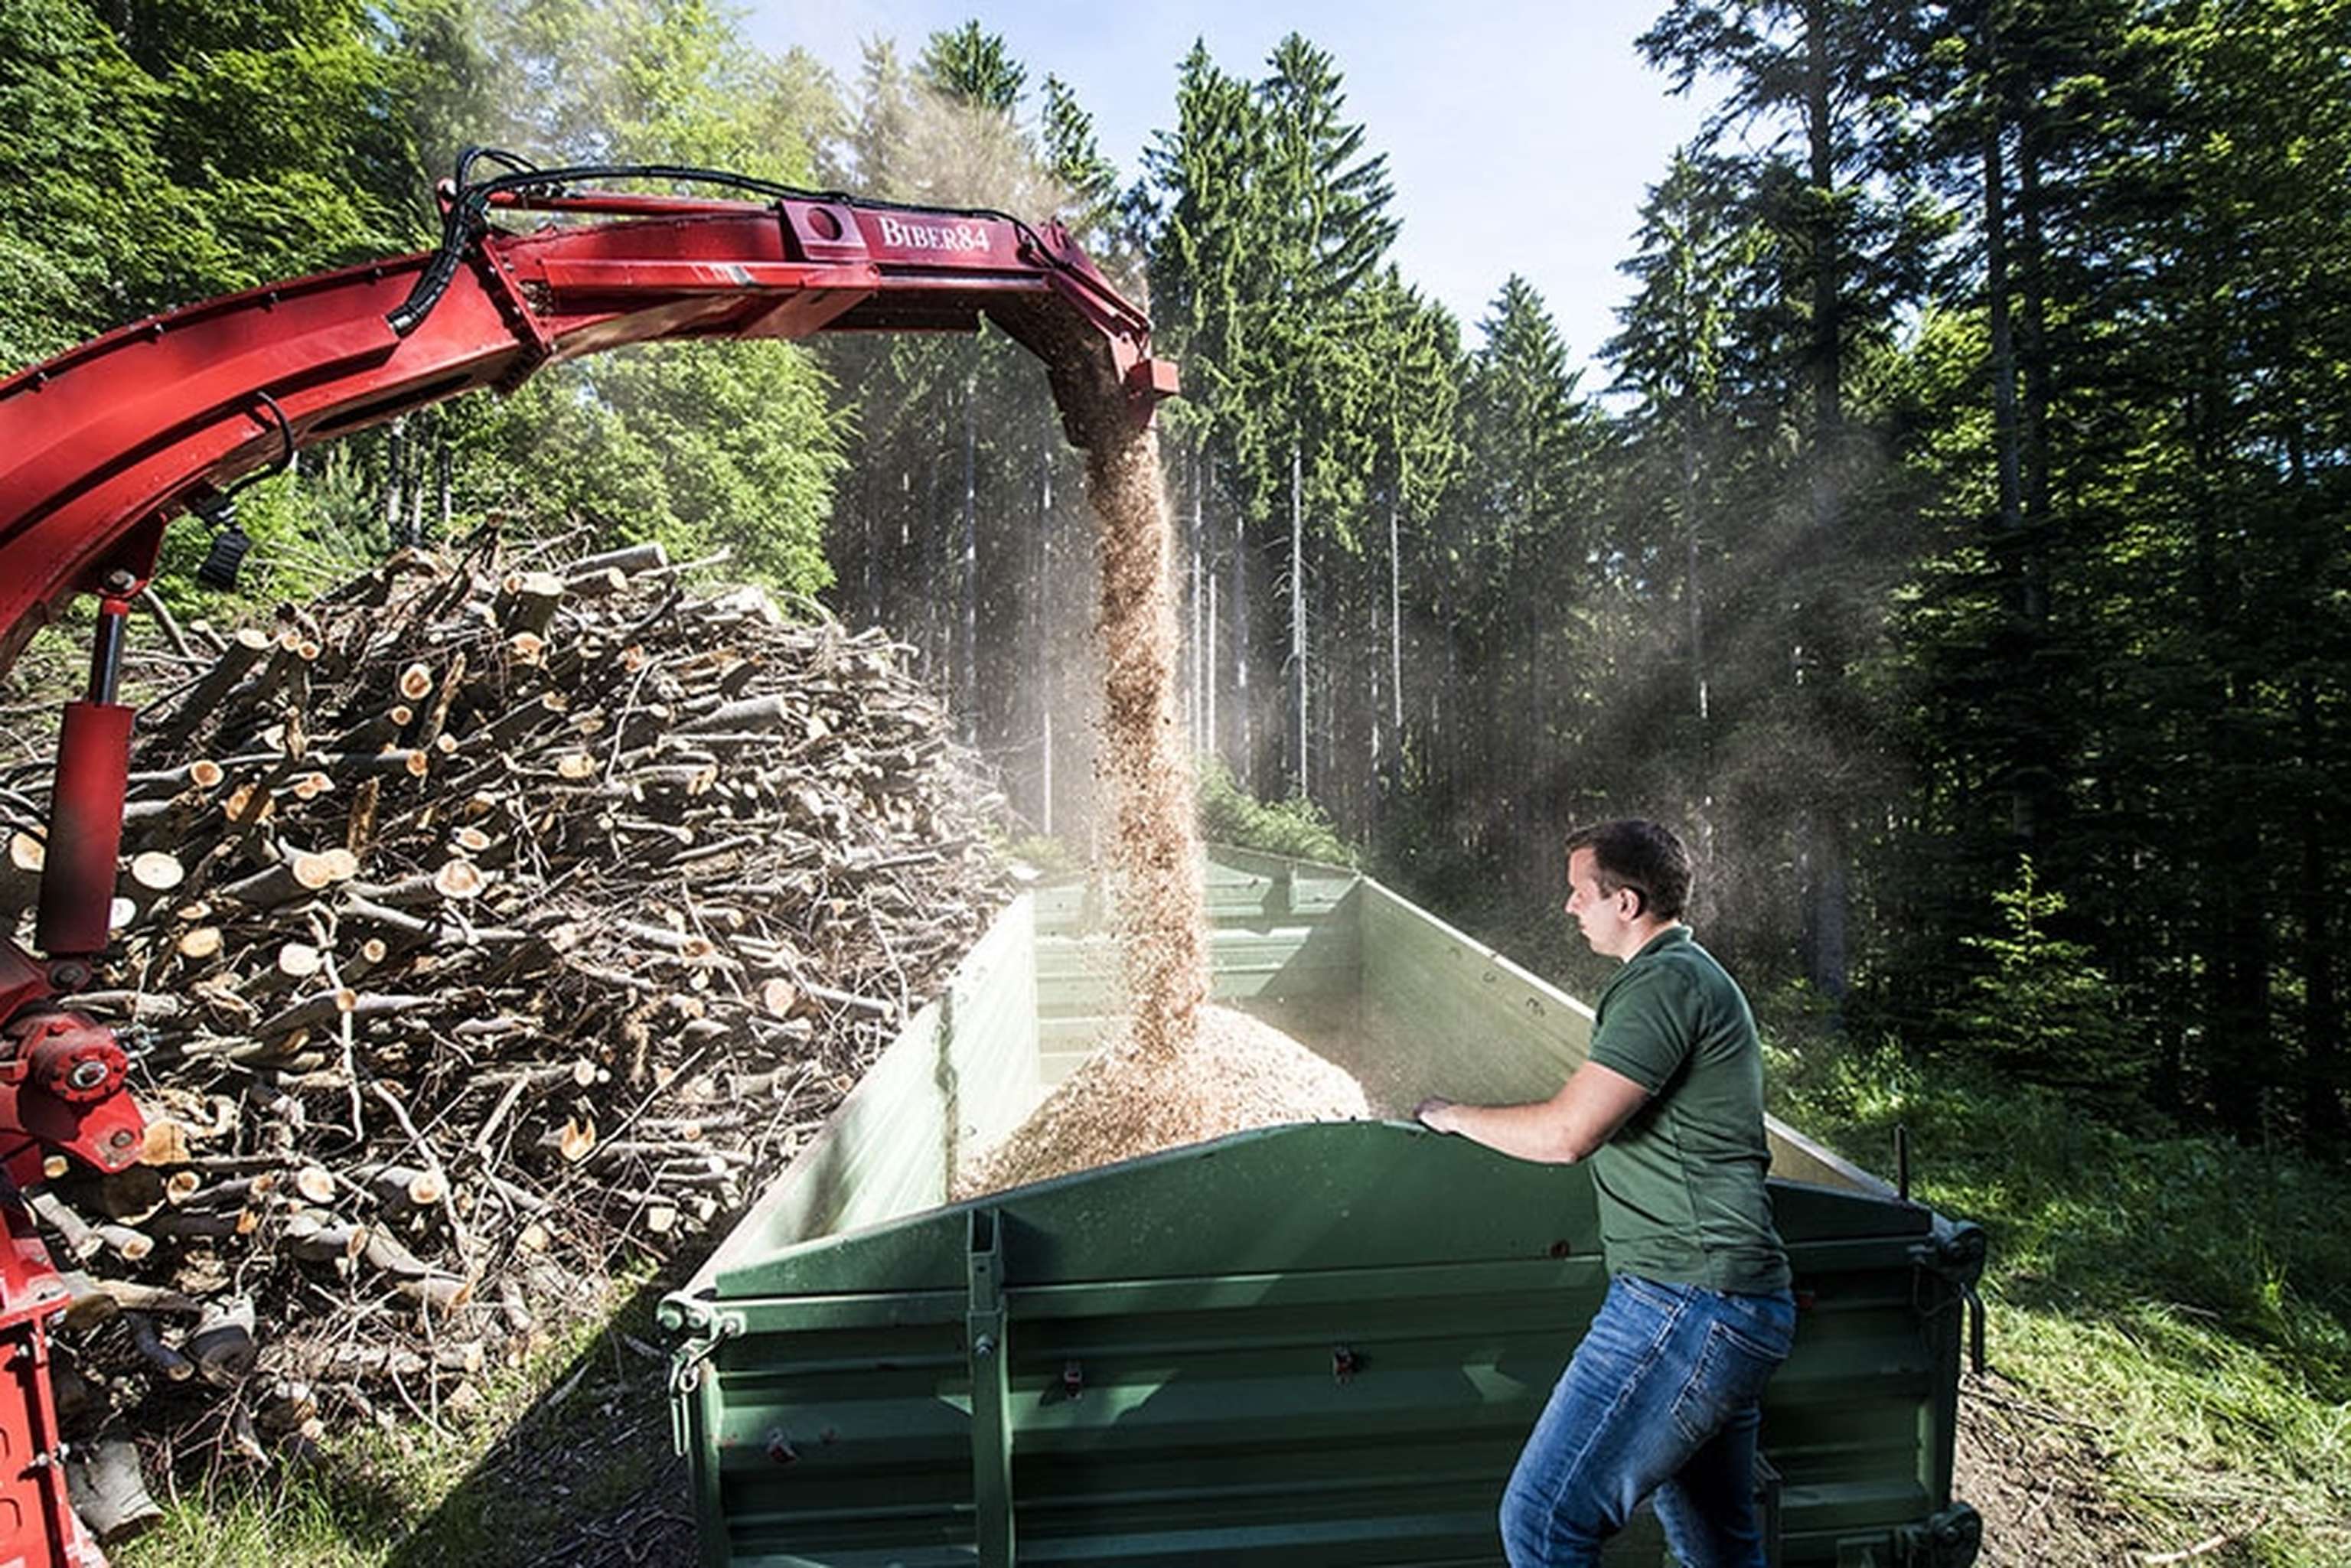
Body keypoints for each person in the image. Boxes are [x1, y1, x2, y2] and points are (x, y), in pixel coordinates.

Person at [1415, 819, 1793, 1568]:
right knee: (1719, 1550)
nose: (1569, 907)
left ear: (1625, 903)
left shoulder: (1664, 983)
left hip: (1686, 1301)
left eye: (1578, 892)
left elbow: (1567, 1133)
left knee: (1543, 1522)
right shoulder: (1686, 976)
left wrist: (1448, 1116)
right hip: (1728, 1301)